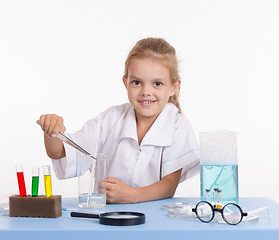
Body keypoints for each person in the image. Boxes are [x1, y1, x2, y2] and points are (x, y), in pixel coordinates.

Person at [37, 37, 199, 204]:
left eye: (157, 83)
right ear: (125, 83)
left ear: (173, 86)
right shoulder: (110, 119)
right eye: (137, 82)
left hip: (153, 222)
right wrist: (52, 133)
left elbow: (169, 185)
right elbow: (60, 153)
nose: (146, 91)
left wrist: (131, 195)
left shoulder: (177, 125)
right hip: (107, 220)